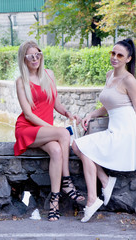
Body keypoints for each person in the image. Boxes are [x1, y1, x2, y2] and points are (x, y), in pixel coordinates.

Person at [72, 38, 136, 223]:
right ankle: (105, 182)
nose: (115, 57)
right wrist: (91, 114)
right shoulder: (109, 75)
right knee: (77, 146)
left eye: (120, 55)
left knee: (80, 146)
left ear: (128, 59)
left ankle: (92, 199)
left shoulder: (129, 80)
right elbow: (108, 106)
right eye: (113, 53)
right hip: (114, 127)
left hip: (127, 131)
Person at [14, 40, 85, 221]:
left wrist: (68, 113)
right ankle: (67, 183)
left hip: (45, 130)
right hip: (27, 128)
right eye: (31, 56)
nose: (35, 58)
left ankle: (54, 200)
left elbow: (56, 104)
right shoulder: (21, 81)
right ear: (24, 58)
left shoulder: (49, 75)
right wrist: (53, 129)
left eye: (38, 54)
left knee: (55, 150)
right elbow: (29, 115)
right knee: (62, 133)